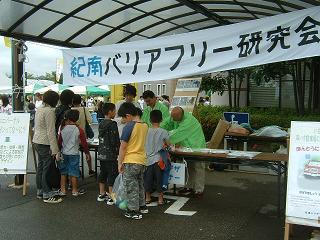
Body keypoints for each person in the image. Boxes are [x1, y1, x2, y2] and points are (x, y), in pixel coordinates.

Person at [161, 107, 206, 197]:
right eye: (172, 117)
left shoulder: (188, 121)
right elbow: (166, 123)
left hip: (197, 146)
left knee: (198, 167)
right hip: (187, 147)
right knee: (189, 167)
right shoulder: (174, 116)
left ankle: (199, 190)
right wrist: (157, 129)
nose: (172, 119)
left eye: (174, 118)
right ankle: (189, 187)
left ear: (180, 115)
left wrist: (161, 137)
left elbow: (178, 133)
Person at [117, 102, 149, 220]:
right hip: (142, 160)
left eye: (123, 117)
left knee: (131, 187)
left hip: (130, 160)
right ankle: (142, 206)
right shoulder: (145, 125)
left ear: (128, 115)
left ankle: (133, 211)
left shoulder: (129, 126)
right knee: (140, 184)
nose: (123, 120)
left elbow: (123, 147)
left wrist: (120, 163)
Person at [33, 91, 62, 204]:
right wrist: (55, 149)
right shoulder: (49, 111)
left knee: (41, 167)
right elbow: (51, 131)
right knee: (46, 167)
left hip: (37, 140)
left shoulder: (39, 109)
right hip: (45, 142)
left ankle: (40, 190)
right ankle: (47, 193)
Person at [57, 110, 91, 197]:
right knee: (74, 173)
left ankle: (63, 190)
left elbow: (59, 142)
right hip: (74, 154)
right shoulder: (79, 129)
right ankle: (74, 190)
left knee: (63, 173)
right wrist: (87, 153)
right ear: (77, 118)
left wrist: (58, 151)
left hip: (64, 153)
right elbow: (84, 143)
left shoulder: (62, 128)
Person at [144, 110, 169, 205]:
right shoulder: (164, 131)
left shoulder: (146, 131)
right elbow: (168, 144)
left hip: (147, 159)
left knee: (147, 179)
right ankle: (160, 199)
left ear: (150, 120)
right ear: (161, 119)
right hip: (159, 160)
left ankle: (147, 197)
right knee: (159, 179)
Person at [97, 103, 120, 205]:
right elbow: (114, 140)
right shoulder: (112, 124)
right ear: (110, 112)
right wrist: (118, 150)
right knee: (112, 174)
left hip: (101, 153)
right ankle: (112, 197)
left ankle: (102, 193)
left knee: (103, 172)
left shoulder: (101, 123)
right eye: (114, 110)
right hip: (110, 154)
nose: (115, 112)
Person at [72, 94, 95, 176]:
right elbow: (90, 120)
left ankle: (76, 170)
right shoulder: (84, 109)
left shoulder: (70, 110)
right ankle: (90, 169)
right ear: (80, 101)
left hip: (72, 138)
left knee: (74, 155)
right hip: (83, 136)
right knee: (87, 152)